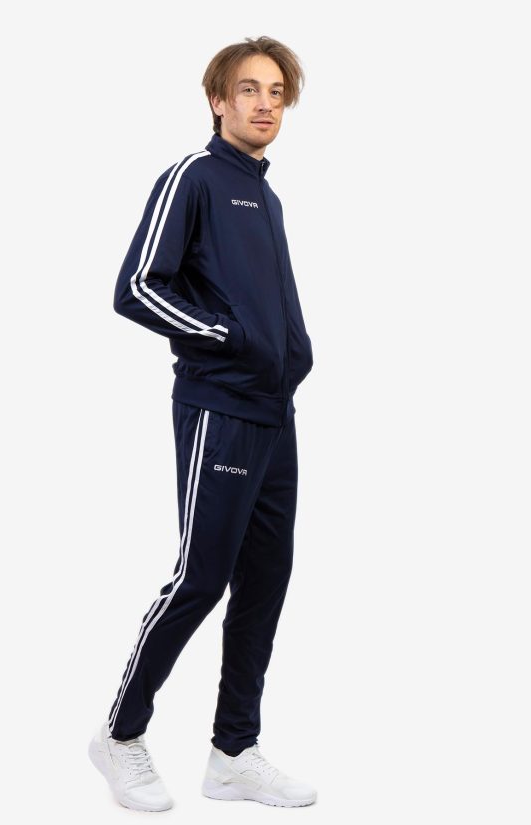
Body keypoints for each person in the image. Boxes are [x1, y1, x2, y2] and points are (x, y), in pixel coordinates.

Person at [88, 35, 316, 811]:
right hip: (220, 408)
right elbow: (136, 287)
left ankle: (233, 751)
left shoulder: (265, 195)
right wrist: (229, 337)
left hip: (275, 414)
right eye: (249, 89)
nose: (264, 104)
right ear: (218, 100)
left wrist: (290, 353)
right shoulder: (195, 177)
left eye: (276, 93)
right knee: (201, 577)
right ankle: (120, 735)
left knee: (266, 580)